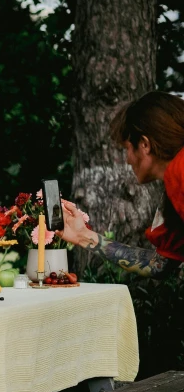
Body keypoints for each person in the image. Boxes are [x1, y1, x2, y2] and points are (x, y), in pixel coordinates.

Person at [58, 91, 184, 278]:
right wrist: (82, 235)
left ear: (144, 144)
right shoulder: (174, 181)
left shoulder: (179, 173)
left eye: (127, 149)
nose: (128, 160)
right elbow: (159, 265)